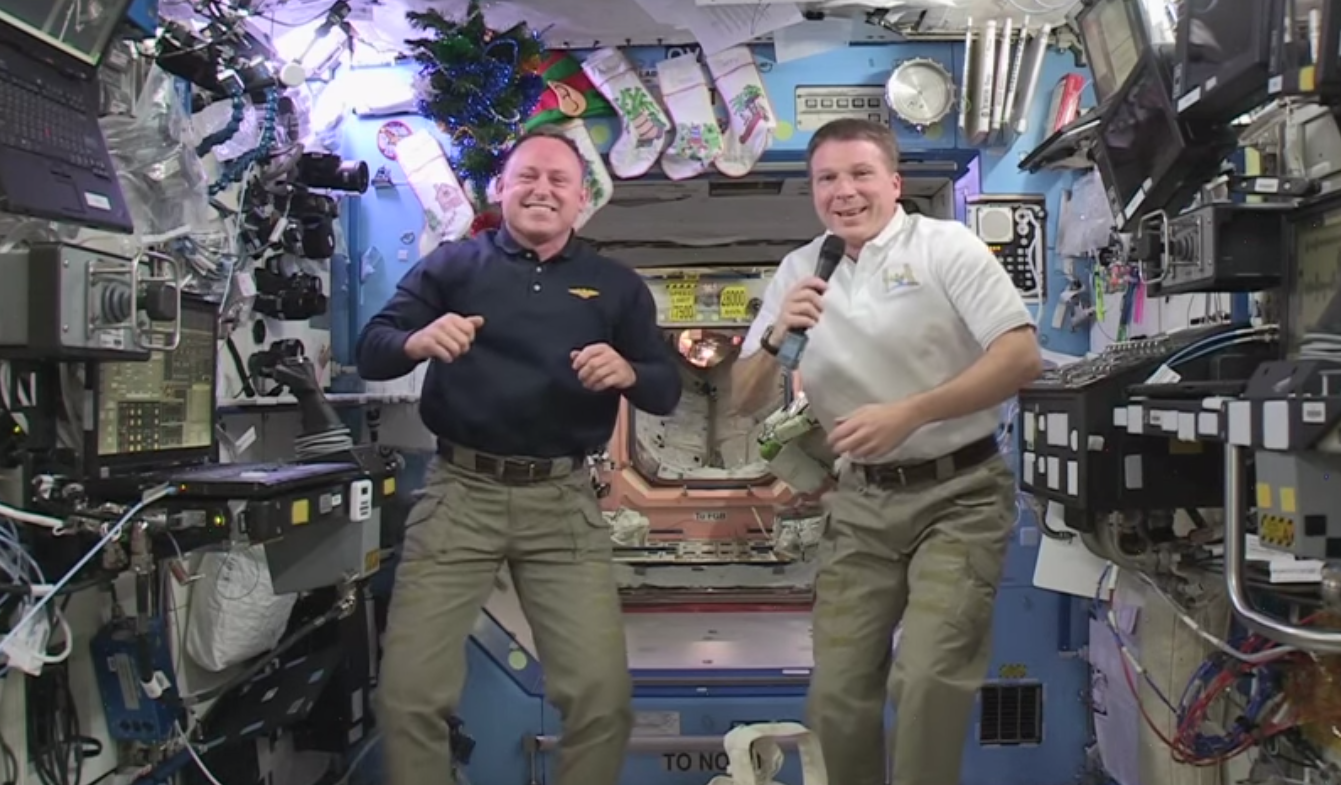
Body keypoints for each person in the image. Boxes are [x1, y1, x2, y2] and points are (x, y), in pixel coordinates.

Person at [356, 126, 682, 785]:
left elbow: (666, 386)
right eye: (527, 176)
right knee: (408, 696)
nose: (541, 189)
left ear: (579, 198)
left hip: (561, 502)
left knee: (600, 698)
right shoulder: (452, 266)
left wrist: (626, 369)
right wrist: (420, 338)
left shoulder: (613, 286)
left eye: (558, 180)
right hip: (459, 493)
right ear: (499, 187)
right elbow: (373, 346)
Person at [731, 118, 1042, 785]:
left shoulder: (944, 247)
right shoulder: (799, 268)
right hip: (862, 500)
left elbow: (1020, 356)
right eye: (826, 178)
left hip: (959, 493)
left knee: (927, 677)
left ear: (894, 182)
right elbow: (742, 398)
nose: (843, 191)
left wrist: (909, 412)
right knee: (836, 696)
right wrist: (773, 334)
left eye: (859, 173)